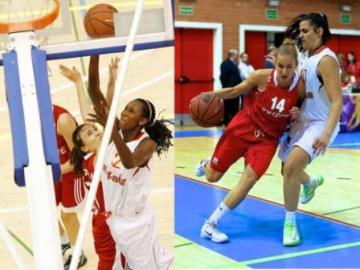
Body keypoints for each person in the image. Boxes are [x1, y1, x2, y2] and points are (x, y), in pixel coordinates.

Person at [61, 55, 174, 269]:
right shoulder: (115, 133)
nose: (123, 112)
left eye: (130, 111)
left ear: (141, 121)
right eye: (125, 108)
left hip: (136, 223)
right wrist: (96, 50)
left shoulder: (147, 144)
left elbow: (130, 162)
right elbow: (94, 91)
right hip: (114, 221)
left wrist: (112, 131)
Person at [195, 43, 305, 243]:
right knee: (212, 176)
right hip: (243, 128)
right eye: (281, 66)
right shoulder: (261, 77)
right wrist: (210, 95)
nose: (284, 71)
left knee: (247, 182)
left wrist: (298, 113)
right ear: (275, 63)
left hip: (267, 140)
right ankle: (207, 163)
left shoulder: (300, 87)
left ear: (296, 66)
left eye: (289, 66)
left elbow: (303, 109)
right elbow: (236, 91)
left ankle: (210, 225)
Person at [280, 13, 343, 246]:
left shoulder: (327, 60)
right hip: (303, 121)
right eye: (300, 31)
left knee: (291, 168)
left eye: (305, 31)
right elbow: (303, 95)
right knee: (286, 169)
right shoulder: (306, 59)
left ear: (319, 31)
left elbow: (338, 101)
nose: (301, 35)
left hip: (320, 123)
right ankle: (310, 182)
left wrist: (326, 134)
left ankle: (290, 224)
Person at [59, 56, 119, 269]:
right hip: (103, 220)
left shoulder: (96, 152)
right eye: (91, 133)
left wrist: (78, 82)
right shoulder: (94, 157)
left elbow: (89, 116)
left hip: (115, 217)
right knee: (108, 262)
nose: (95, 130)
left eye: (94, 129)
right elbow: (89, 118)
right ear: (84, 147)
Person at [53, 104, 88, 268]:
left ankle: (78, 254)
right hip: (54, 171)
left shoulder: (63, 121)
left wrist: (57, 170)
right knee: (46, 210)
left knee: (67, 215)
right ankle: (64, 242)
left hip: (71, 172)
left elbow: (79, 157)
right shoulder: (32, 119)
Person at [220, 49, 243, 126]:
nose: (238, 56)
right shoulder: (225, 64)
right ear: (232, 55)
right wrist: (227, 87)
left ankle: (233, 125)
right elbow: (223, 77)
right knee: (228, 109)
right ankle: (227, 124)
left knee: (235, 109)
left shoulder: (234, 64)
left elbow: (237, 77)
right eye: (237, 55)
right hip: (229, 90)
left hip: (236, 90)